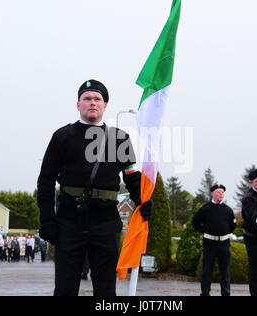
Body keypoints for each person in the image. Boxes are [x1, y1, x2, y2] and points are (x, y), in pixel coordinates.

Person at [36, 79, 154, 296]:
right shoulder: (62, 137)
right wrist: (47, 220)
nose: (92, 102)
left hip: (106, 222)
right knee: (65, 288)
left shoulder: (120, 139)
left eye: (97, 99)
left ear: (105, 105)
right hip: (69, 221)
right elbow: (45, 181)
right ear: (78, 104)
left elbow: (132, 177)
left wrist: (144, 200)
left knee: (106, 289)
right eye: (87, 98)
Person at [192, 184, 237, 296]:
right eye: (218, 192)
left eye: (222, 192)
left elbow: (233, 225)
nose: (221, 194)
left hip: (224, 244)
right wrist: (204, 231)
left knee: (225, 271)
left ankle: (225, 293)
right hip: (209, 243)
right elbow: (195, 222)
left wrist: (225, 233)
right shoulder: (205, 208)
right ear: (212, 193)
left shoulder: (228, 210)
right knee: (207, 270)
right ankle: (205, 293)